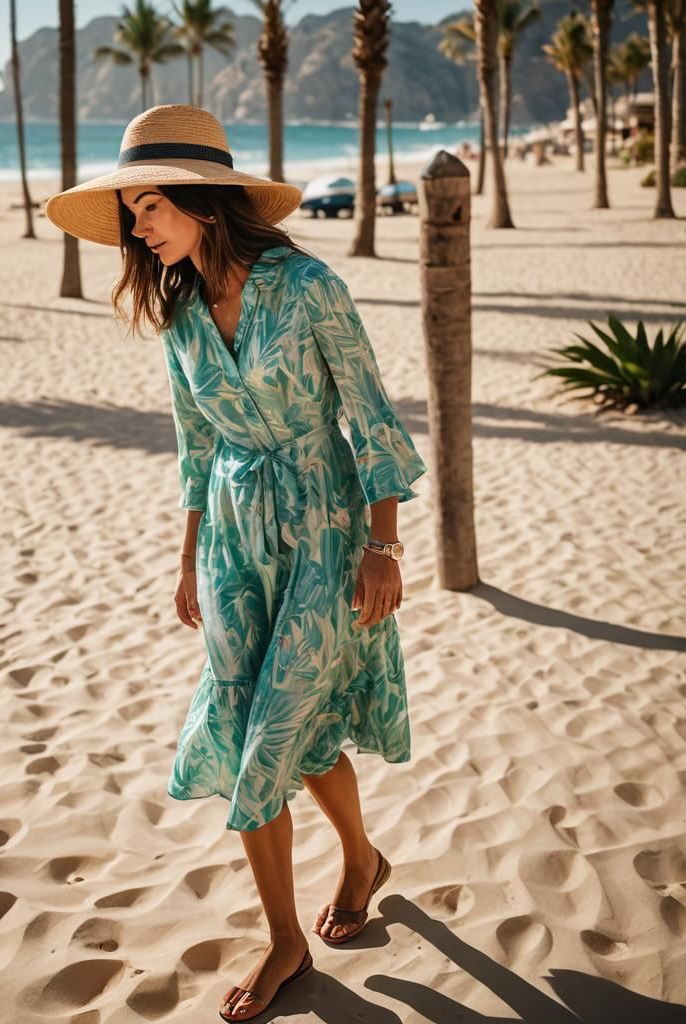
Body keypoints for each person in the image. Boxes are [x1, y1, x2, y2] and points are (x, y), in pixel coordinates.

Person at [46, 104, 427, 1023]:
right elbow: (193, 445)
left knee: (271, 736)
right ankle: (363, 859)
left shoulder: (308, 288)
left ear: (203, 204)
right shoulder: (178, 310)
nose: (138, 230)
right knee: (277, 717)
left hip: (326, 527)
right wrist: (187, 560)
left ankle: (285, 940)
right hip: (231, 538)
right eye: (133, 214)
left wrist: (383, 543)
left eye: (148, 210)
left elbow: (370, 415)